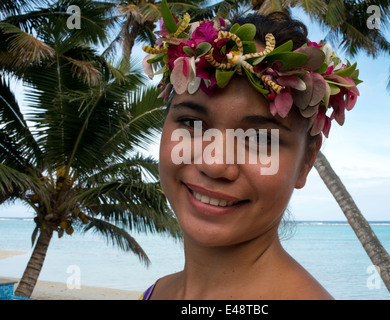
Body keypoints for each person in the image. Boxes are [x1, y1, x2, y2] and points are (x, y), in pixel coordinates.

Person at [140, 2, 361, 300]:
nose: (215, 164)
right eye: (192, 123)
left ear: (307, 161)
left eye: (258, 139)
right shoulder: (157, 292)